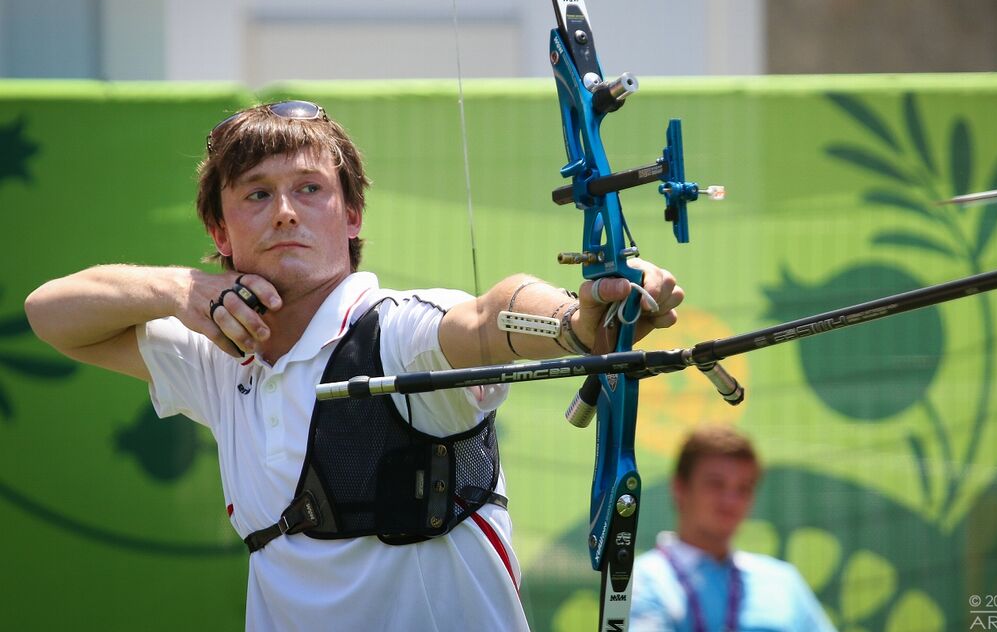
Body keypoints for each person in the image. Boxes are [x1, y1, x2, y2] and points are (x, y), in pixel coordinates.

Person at [24, 100, 683, 632]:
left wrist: (575, 322)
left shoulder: (394, 329)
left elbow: (486, 320)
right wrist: (177, 289)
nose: (284, 210)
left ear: (352, 214)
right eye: (255, 194)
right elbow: (49, 314)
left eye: (309, 188)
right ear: (220, 233)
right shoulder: (218, 355)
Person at [630, 426, 835, 632]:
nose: (731, 501)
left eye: (743, 488)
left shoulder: (783, 581)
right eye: (716, 484)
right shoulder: (640, 582)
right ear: (679, 488)